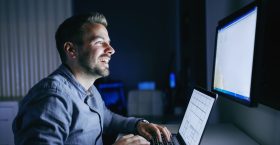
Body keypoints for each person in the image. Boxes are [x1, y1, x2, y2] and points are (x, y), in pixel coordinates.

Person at [12, 12, 171, 145]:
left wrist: (138, 125)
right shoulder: (52, 98)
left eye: (109, 43)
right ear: (71, 50)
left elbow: (107, 118)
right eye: (100, 42)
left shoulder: (89, 88)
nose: (111, 50)